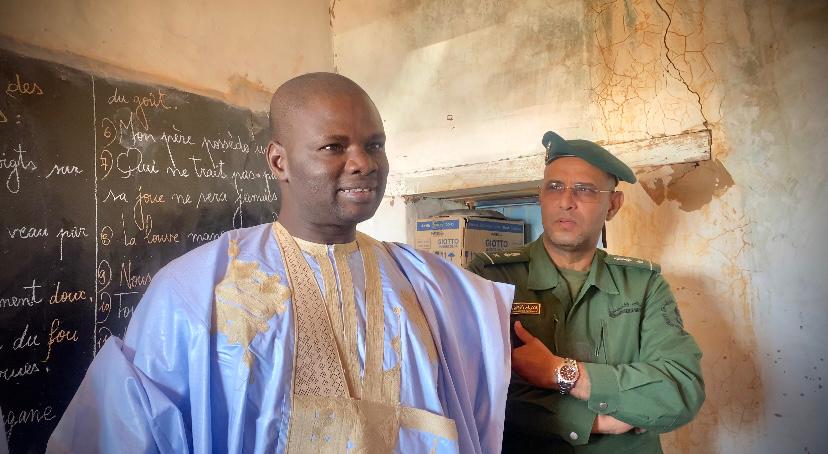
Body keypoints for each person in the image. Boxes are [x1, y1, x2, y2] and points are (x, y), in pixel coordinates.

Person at [47, 73, 513, 453]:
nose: (363, 163)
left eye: (374, 145)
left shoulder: (427, 285)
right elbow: (125, 432)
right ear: (278, 161)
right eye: (334, 146)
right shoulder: (196, 291)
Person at [468, 131, 705, 453]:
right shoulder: (490, 278)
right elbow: (471, 391)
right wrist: (596, 420)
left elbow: (680, 391)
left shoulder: (643, 285)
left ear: (613, 205)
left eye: (585, 189)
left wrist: (561, 373)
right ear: (541, 196)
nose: (566, 201)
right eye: (555, 187)